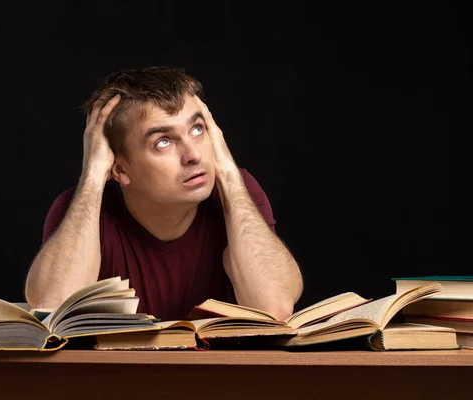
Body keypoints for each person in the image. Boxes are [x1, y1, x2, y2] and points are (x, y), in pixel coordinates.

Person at [25, 66, 303, 321]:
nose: (194, 155)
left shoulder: (237, 194)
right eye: (163, 141)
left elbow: (274, 308)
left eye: (197, 129)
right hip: (116, 377)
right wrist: (93, 176)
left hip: (219, 376)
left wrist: (228, 173)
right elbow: (53, 306)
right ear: (120, 169)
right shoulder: (77, 209)